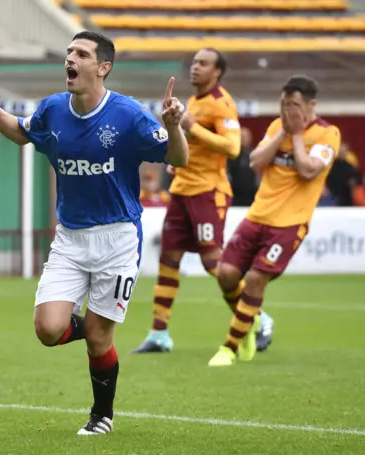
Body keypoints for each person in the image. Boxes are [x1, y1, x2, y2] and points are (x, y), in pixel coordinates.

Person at [0, 30, 189, 435]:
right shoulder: (52, 110)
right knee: (48, 330)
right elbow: (20, 131)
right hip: (70, 238)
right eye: (69, 51)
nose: (70, 58)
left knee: (99, 339)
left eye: (81, 53)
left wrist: (173, 127)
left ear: (102, 67)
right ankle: (100, 327)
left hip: (118, 238)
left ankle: (101, 415)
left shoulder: (128, 114)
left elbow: (179, 158)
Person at [132, 48, 274, 354]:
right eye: (194, 62)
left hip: (208, 191)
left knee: (213, 262)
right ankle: (159, 333)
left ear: (217, 72)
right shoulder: (194, 102)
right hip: (182, 190)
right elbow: (191, 142)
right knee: (169, 260)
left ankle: (258, 318)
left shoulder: (222, 104)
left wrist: (192, 127)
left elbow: (233, 147)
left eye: (204, 63)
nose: (196, 67)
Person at [209, 76, 340, 366]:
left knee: (256, 278)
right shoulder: (276, 127)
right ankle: (251, 321)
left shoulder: (327, 134)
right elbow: (256, 160)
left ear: (311, 105)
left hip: (290, 223)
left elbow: (308, 170)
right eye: (283, 104)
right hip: (257, 215)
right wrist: (283, 133)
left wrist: (295, 135)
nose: (287, 110)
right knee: (226, 274)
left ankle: (230, 347)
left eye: (293, 104)